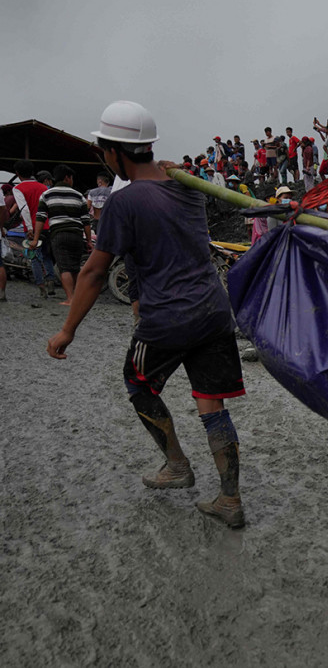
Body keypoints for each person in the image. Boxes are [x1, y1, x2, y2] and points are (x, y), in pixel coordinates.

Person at [47, 100, 247, 528]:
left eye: (103, 150)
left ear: (115, 151)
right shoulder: (190, 187)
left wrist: (67, 330)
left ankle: (177, 465)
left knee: (137, 383)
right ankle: (229, 500)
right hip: (213, 310)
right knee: (211, 403)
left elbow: (95, 271)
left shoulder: (124, 201)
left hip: (168, 318)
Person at [29, 164, 90, 305]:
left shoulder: (46, 194)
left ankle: (70, 299)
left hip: (58, 234)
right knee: (75, 267)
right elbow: (86, 221)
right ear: (67, 178)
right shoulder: (79, 195)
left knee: (64, 267)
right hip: (76, 235)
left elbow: (40, 218)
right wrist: (88, 240)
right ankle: (77, 297)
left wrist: (36, 239)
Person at [8, 159, 57, 297]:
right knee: (47, 255)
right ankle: (50, 281)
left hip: (31, 227)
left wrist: (29, 228)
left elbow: (24, 210)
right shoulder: (43, 187)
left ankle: (41, 286)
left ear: (17, 173)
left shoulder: (18, 189)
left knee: (34, 256)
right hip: (47, 225)